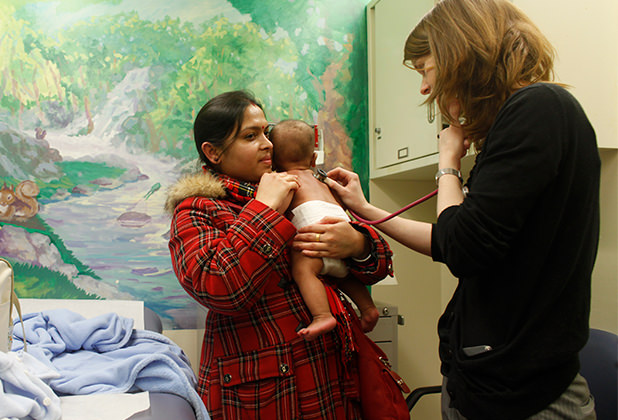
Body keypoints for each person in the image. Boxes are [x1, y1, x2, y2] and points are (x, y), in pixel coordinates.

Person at [321, 1, 601, 419]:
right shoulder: (526, 117)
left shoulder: (537, 109)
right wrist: (364, 208)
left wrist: (447, 163)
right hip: (484, 382)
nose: (423, 88)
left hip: (521, 396)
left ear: (458, 55)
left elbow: (459, 246)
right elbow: (447, 237)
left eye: (424, 68)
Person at [165, 90, 393, 419]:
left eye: (265, 132)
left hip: (331, 381)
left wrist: (357, 244)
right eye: (250, 136)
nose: (267, 144)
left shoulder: (296, 186)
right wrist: (264, 208)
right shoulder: (196, 209)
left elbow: (379, 265)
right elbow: (222, 289)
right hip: (264, 396)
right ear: (213, 152)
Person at [269, 119, 379, 340]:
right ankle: (368, 308)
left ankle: (322, 316)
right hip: (341, 231)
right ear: (313, 158)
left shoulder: (285, 181)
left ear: (273, 161)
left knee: (304, 270)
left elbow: (277, 215)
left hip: (315, 240)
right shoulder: (324, 182)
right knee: (344, 274)